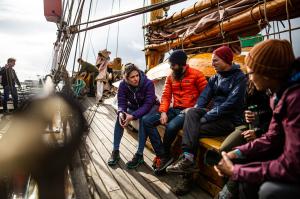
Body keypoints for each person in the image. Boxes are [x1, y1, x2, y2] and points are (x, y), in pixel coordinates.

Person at [214, 39, 300, 199]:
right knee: (242, 163)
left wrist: (236, 171)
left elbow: (292, 166)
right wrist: (238, 153)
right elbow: (272, 137)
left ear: (267, 74)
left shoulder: (295, 99)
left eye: (251, 72)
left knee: (269, 191)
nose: (249, 77)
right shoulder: (281, 94)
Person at [166, 46, 247, 194]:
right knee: (191, 112)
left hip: (229, 120)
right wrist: (197, 111)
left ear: (226, 60)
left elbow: (231, 104)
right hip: (213, 117)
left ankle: (187, 175)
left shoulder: (240, 78)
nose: (212, 64)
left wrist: (204, 118)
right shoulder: (215, 78)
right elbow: (204, 97)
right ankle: (188, 159)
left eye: (215, 60)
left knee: (192, 130)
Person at [142, 50, 207, 174]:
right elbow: (166, 96)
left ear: (182, 64)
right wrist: (163, 112)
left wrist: (195, 108)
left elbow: (206, 96)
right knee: (147, 120)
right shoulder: (171, 76)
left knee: (171, 126)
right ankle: (163, 154)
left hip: (189, 112)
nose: (171, 67)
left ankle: (165, 156)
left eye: (173, 65)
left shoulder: (197, 75)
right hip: (175, 109)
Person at [215, 81, 272, 199]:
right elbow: (241, 109)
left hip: (265, 130)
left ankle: (228, 192)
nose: (250, 76)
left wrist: (259, 131)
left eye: (252, 72)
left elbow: (277, 123)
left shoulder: (279, 89)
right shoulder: (250, 84)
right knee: (224, 150)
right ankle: (227, 189)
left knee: (252, 154)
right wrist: (246, 116)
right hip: (248, 126)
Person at [107, 63, 159, 169]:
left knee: (144, 120)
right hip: (134, 106)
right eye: (132, 77)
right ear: (126, 78)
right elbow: (121, 102)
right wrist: (121, 112)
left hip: (151, 107)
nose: (136, 79)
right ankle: (115, 151)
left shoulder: (148, 84)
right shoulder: (123, 85)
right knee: (119, 118)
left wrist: (133, 116)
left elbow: (148, 104)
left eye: (137, 75)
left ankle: (139, 154)